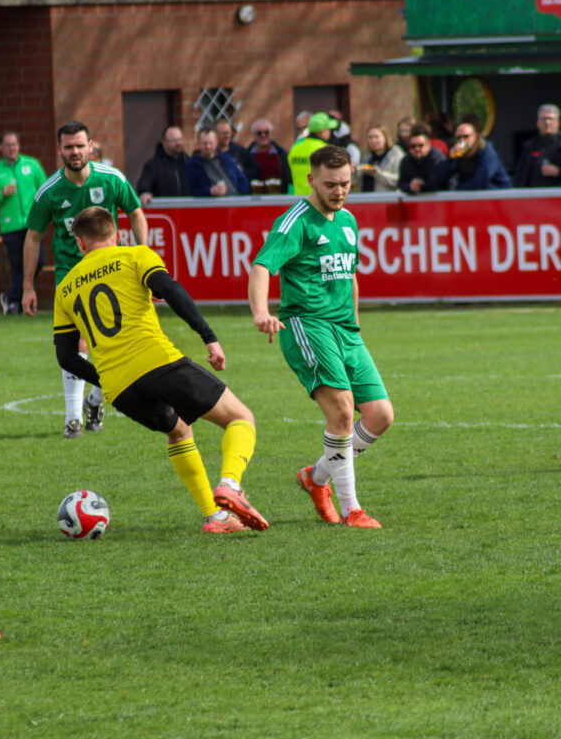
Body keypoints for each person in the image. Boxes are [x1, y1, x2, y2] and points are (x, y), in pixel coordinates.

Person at [54, 206, 268, 535]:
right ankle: (230, 485)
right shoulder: (134, 255)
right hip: (158, 362)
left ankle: (215, 517)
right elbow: (171, 291)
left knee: (179, 432)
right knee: (240, 418)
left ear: (80, 243)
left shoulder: (65, 288)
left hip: (119, 389)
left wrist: (104, 377)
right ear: (118, 235)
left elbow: (67, 357)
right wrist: (208, 337)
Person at [249, 144, 393, 529]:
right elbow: (262, 266)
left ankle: (316, 477)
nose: (339, 191)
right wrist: (261, 312)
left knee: (380, 416)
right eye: (331, 185)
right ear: (312, 180)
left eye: (346, 183)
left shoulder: (348, 220)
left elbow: (350, 274)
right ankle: (352, 510)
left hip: (346, 331)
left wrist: (354, 322)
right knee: (343, 411)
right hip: (308, 325)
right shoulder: (295, 221)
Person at [22, 120, 148, 439]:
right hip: (70, 273)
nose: (75, 151)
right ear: (59, 149)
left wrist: (141, 256)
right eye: (68, 146)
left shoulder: (111, 178)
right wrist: (27, 286)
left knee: (118, 342)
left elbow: (136, 213)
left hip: (111, 270)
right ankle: (73, 418)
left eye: (80, 145)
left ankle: (94, 400)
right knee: (78, 342)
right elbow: (33, 237)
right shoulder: (49, 191)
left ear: (91, 146)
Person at [0, 131, 46, 315]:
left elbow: (45, 189)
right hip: (10, 226)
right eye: (8, 145)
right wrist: (2, 194)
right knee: (18, 266)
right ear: (0, 147)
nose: (12, 148)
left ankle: (11, 297)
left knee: (38, 261)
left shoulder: (32, 164)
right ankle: (17, 305)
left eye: (14, 145)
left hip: (33, 224)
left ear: (19, 146)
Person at [438, 122, 512, 190]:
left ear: (475, 137)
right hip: (474, 196)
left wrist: (457, 189)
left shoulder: (487, 153)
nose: (462, 141)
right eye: (458, 137)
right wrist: (451, 158)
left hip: (501, 195)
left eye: (466, 136)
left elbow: (479, 182)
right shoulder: (459, 154)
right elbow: (441, 177)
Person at [185, 127, 250, 196]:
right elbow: (191, 191)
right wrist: (210, 191)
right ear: (199, 143)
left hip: (236, 200)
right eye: (204, 143)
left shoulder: (226, 159)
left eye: (211, 143)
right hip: (212, 202)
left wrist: (240, 194)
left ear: (216, 142)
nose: (208, 147)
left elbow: (243, 180)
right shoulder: (193, 165)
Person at [287, 111, 338, 195]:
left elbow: (289, 178)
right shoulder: (326, 149)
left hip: (297, 199)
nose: (330, 132)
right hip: (317, 199)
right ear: (322, 132)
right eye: (328, 130)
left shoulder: (295, 147)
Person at [137, 125, 190, 204]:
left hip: (187, 209)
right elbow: (144, 184)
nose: (178, 143)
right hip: (165, 209)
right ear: (164, 143)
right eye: (174, 140)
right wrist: (145, 193)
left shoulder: (188, 162)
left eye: (180, 139)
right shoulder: (153, 165)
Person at [514, 104, 561, 188]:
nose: (547, 122)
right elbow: (520, 177)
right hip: (535, 194)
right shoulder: (529, 146)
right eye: (544, 119)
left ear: (558, 122)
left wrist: (558, 172)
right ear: (538, 122)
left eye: (551, 119)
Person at [398, 123, 446, 194]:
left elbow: (436, 184)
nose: (417, 149)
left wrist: (420, 186)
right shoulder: (406, 161)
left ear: (428, 145)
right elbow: (401, 184)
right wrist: (409, 186)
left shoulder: (437, 159)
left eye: (420, 145)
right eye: (413, 146)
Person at [247, 118, 292, 193]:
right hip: (254, 198)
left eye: (266, 132)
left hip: (279, 197)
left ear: (271, 134)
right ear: (253, 135)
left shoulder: (282, 155)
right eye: (259, 133)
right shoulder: (245, 156)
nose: (263, 135)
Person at [359, 124, 404, 192]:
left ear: (385, 138)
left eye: (376, 137)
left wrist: (377, 173)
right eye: (370, 137)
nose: (373, 140)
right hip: (366, 197)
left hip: (386, 197)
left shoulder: (395, 154)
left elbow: (399, 180)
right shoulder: (367, 156)